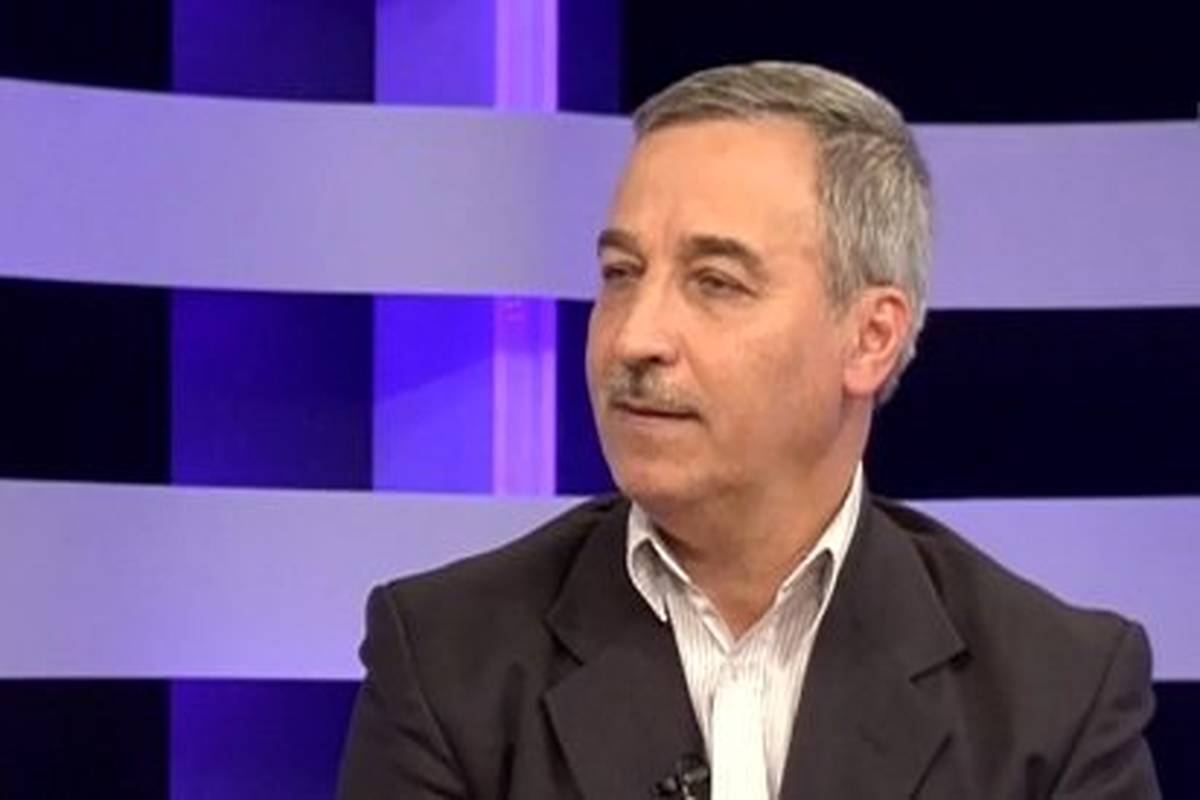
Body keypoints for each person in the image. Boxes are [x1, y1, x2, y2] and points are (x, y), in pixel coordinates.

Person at [337, 62, 1159, 799]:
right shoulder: (447, 663)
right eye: (621, 274)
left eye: (716, 282)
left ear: (870, 337)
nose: (634, 338)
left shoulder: (1055, 701)